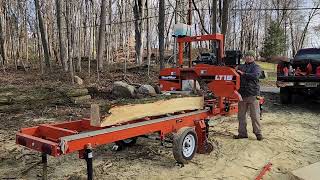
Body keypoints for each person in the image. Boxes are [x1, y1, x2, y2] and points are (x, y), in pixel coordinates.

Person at [234, 50, 263, 141]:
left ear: (253, 57)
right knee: (241, 116)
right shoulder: (241, 66)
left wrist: (244, 74)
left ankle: (258, 134)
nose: (249, 57)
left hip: (253, 95)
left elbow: (255, 76)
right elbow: (234, 72)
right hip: (242, 95)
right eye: (247, 55)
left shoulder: (256, 67)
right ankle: (242, 134)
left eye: (251, 56)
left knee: (255, 116)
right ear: (245, 57)